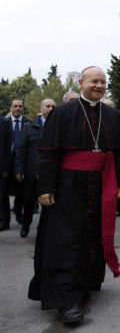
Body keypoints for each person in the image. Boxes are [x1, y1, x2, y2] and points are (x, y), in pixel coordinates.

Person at [28, 66, 120, 324]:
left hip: (100, 183)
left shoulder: (112, 114)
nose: (99, 85)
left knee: (92, 235)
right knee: (67, 240)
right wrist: (45, 188)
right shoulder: (62, 113)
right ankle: (66, 299)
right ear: (82, 83)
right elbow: (49, 153)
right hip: (67, 186)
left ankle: (85, 284)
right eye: (94, 81)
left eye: (103, 82)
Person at [14, 98, 55, 237]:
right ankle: (25, 225)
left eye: (52, 106)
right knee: (29, 201)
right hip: (32, 171)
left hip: (50, 173)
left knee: (49, 203)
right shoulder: (29, 126)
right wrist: (19, 169)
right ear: (41, 108)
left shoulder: (58, 127)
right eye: (47, 106)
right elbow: (21, 150)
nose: (50, 109)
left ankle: (43, 230)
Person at [1, 99, 29, 228]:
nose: (18, 108)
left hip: (22, 161)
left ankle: (19, 213)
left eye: (20, 106)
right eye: (15, 106)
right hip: (7, 159)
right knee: (3, 191)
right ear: (11, 108)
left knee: (20, 190)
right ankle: (4, 220)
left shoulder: (28, 123)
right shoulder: (4, 123)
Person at [0, 117, 11, 231]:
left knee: (2, 194)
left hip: (2, 165)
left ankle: (4, 220)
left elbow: (8, 147)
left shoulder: (4, 123)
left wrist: (6, 168)